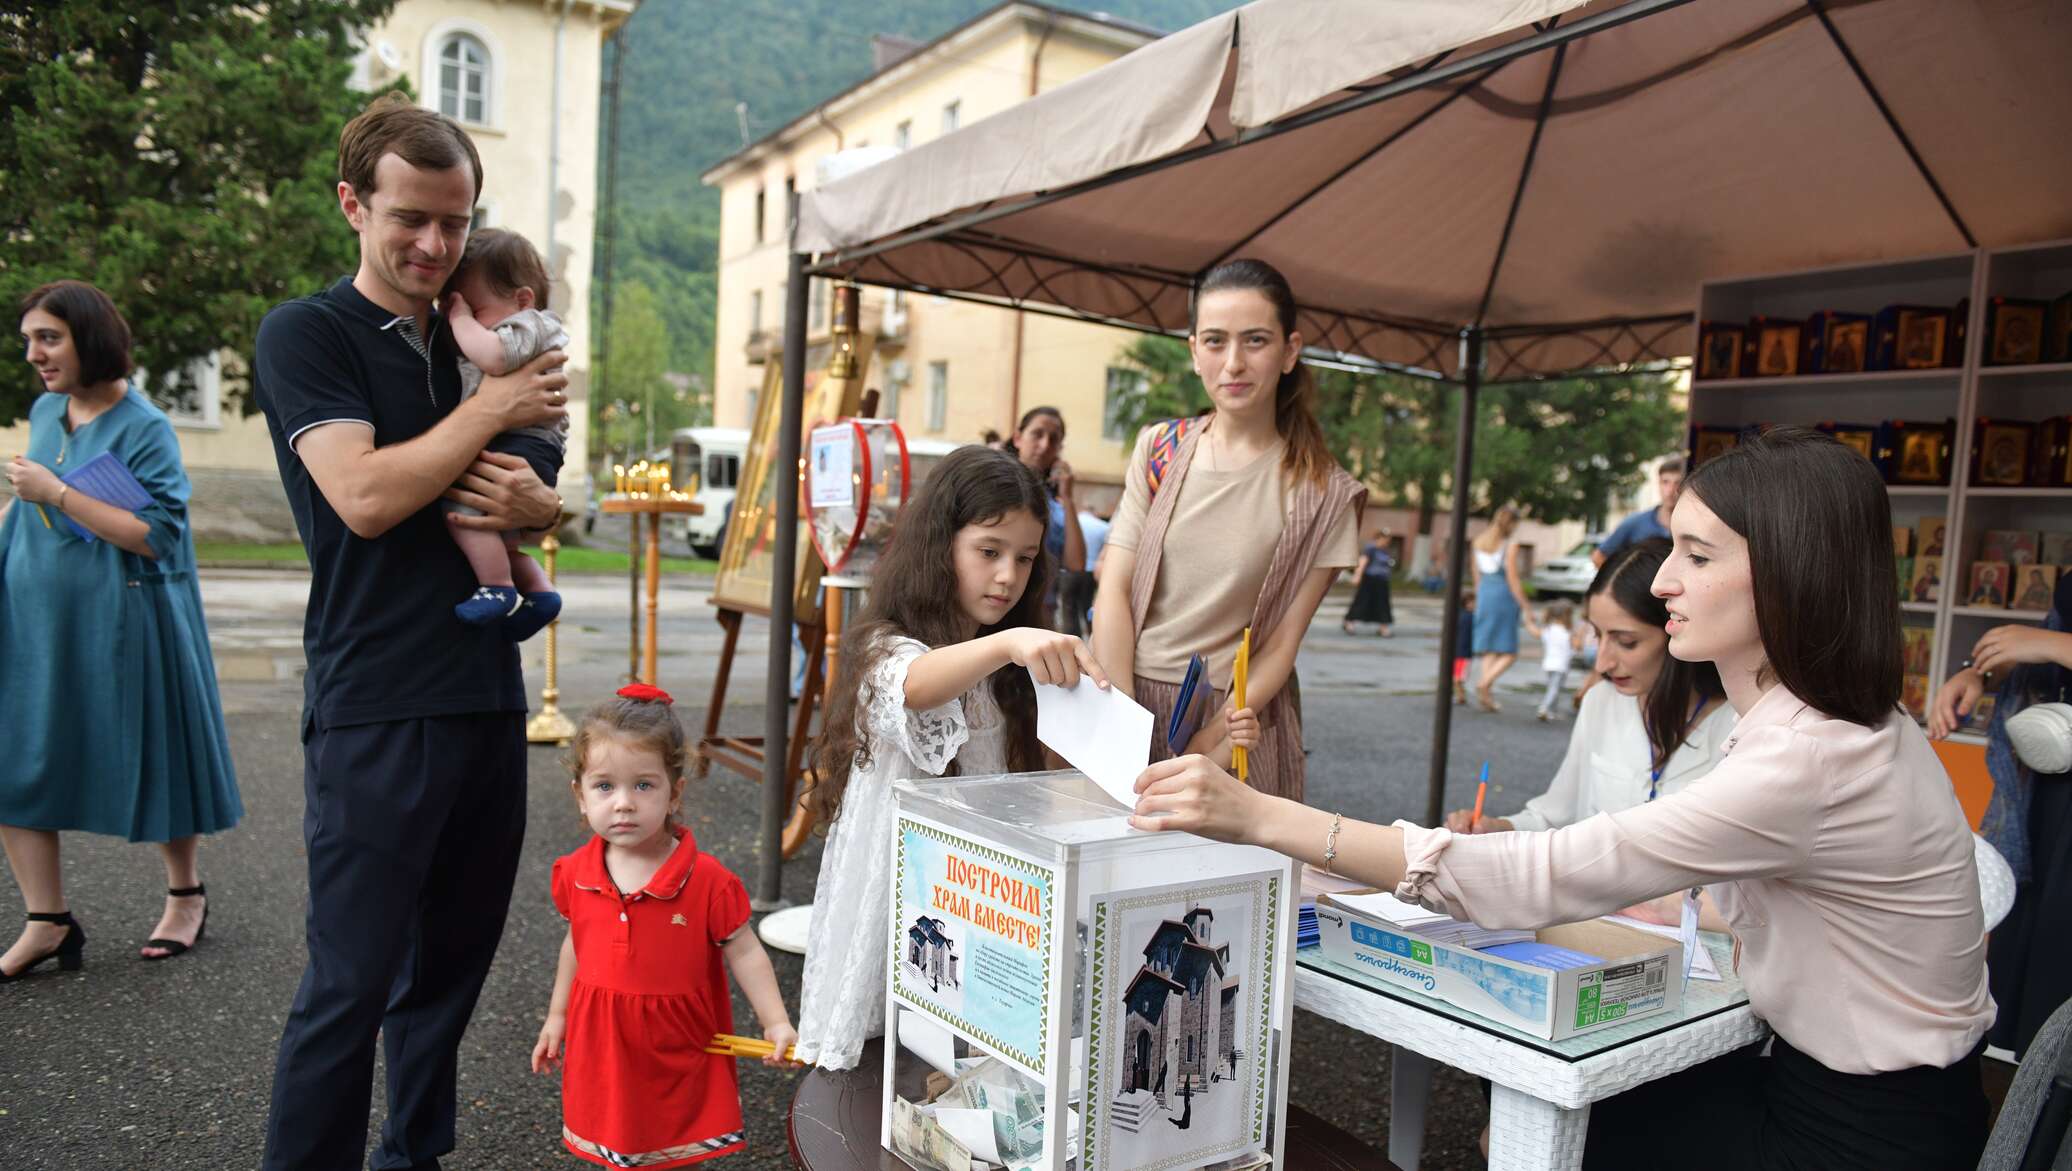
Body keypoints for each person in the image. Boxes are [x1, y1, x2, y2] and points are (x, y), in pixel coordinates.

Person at [1135, 427, 1993, 1171]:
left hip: (1858, 1137)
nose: (1662, 583)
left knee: (1546, 1098)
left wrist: (1258, 815)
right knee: (1533, 1069)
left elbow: (1546, 871)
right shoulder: (1832, 724)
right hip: (1845, 1088)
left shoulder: (1811, 753)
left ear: (1789, 575)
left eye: (1697, 557)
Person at [252, 93, 569, 1170]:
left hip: (486, 697)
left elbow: (535, 487)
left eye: (455, 221)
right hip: (376, 702)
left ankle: (411, 1156)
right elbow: (367, 497)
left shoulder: (482, 338)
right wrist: (489, 410)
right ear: (354, 205)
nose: (435, 244)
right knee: (349, 983)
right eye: (410, 219)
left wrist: (547, 511)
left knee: (448, 979)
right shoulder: (309, 334)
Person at [795, 446, 1109, 1070]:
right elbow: (912, 684)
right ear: (941, 545)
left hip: (972, 885)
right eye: (988, 551)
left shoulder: (1007, 665)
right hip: (900, 882)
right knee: (880, 1051)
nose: (1007, 577)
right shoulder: (890, 641)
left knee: (955, 1052)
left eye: (1023, 559)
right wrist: (1011, 643)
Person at [0, 280, 242, 979]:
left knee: (155, 751)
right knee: (17, 757)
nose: (33, 354)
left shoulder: (145, 425)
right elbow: (29, 512)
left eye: (48, 338)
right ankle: (47, 919)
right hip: (38, 617)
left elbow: (156, 534)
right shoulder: (47, 410)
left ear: (89, 338)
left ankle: (185, 895)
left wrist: (58, 491)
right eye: (28, 341)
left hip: (126, 614)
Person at [1092, 258, 1365, 800]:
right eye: (1215, 341)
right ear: (1194, 352)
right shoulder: (1160, 449)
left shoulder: (1325, 492)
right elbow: (1114, 590)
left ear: (1290, 351)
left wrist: (1204, 746)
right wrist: (1121, 724)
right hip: (1126, 694)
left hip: (1234, 719)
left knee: (1214, 881)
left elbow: (1282, 645)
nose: (1233, 362)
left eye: (1256, 341)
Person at [531, 685, 796, 1167]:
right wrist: (558, 1016)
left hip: (679, 1042)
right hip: (604, 1044)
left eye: (644, 785)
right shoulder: (575, 872)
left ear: (675, 793)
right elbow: (577, 942)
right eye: (605, 786)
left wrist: (775, 1020)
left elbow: (744, 949)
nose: (624, 803)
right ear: (580, 796)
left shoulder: (707, 880)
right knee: (613, 1144)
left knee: (676, 1147)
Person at [1443, 539, 1734, 840]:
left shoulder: (1740, 727)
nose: (1603, 663)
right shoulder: (1602, 701)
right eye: (1597, 634)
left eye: (1626, 642)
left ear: (1677, 628)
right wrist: (1496, 828)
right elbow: (1558, 816)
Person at [1931, 597, 2072, 1058]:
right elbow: (2032, 654)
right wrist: (1979, 673)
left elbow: (2046, 645)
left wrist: (2052, 644)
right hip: (2047, 789)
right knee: (2040, 948)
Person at [441, 227, 569, 637]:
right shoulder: (514, 321)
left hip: (526, 443)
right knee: (501, 537)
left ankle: (496, 587)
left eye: (477, 309)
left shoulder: (531, 326)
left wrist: (458, 317)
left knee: (462, 513)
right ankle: (539, 590)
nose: (466, 323)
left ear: (522, 299)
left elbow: (494, 358)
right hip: (526, 445)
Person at [1008, 405, 1086, 618]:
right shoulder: (995, 485)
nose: (1044, 445)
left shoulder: (1053, 504)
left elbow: (1076, 563)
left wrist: (1068, 498)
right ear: (1017, 438)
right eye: (1037, 434)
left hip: (1037, 613)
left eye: (1054, 439)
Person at [1469, 504, 1538, 712]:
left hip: (1484, 595)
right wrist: (1525, 605)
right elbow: (1513, 580)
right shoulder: (1510, 545)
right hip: (1503, 596)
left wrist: (1480, 598)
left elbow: (1476, 577)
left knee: (1490, 647)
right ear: (1513, 524)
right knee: (1509, 651)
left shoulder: (1478, 542)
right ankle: (1484, 683)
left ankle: (1486, 696)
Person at [1592, 456, 1684, 566]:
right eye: (1665, 482)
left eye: (1678, 483)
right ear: (1658, 484)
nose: (1670, 490)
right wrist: (1622, 582)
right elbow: (1599, 556)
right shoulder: (1635, 523)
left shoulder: (1694, 526)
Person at [1059, 501, 1110, 637]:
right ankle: (1093, 636)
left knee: (1068, 608)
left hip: (1068, 572)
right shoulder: (1103, 526)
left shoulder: (1070, 523)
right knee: (1087, 606)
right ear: (1094, 513)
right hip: (1090, 572)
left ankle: (1071, 638)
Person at [1341, 527, 1394, 637]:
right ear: (1378, 538)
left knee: (1383, 604)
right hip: (1370, 580)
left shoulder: (1385, 550)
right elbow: (1363, 561)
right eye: (1384, 538)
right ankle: (1349, 622)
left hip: (1382, 581)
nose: (1386, 541)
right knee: (1361, 602)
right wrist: (1357, 575)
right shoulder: (1371, 548)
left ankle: (1383, 627)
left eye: (1388, 539)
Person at [1531, 600, 1575, 722]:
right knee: (1554, 688)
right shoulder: (1566, 632)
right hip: (1561, 665)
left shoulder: (1548, 629)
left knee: (1553, 687)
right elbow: (1575, 646)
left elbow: (1536, 633)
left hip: (1549, 663)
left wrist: (1528, 620)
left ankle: (1551, 711)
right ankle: (1544, 707)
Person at [1451, 588, 1475, 705]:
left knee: (1459, 675)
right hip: (1465, 652)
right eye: (1474, 602)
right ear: (1467, 602)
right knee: (1460, 677)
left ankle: (1460, 695)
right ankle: (1460, 696)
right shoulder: (1471, 617)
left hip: (1455, 651)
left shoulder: (1457, 615)